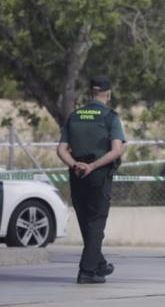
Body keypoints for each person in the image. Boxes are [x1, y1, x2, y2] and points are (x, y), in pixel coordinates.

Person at [56, 75, 126, 284]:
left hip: (76, 174)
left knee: (86, 222)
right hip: (98, 174)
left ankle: (99, 264)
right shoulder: (110, 116)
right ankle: (87, 271)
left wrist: (75, 164)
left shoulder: (74, 116)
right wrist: (93, 166)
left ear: (90, 92)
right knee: (96, 223)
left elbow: (61, 150)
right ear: (108, 94)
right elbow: (117, 149)